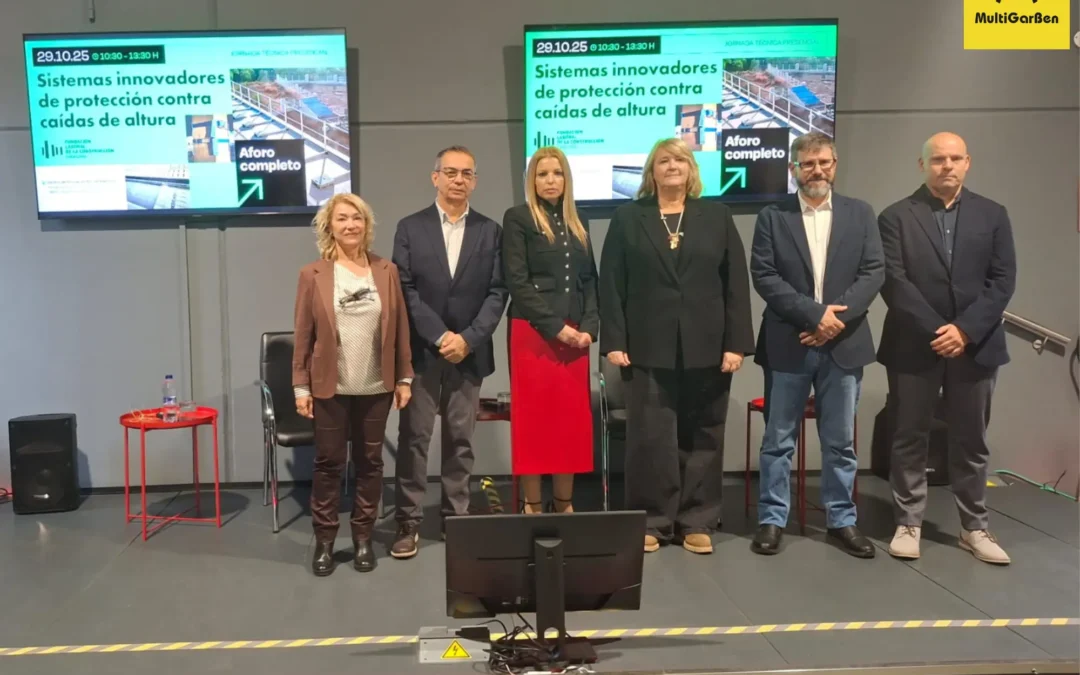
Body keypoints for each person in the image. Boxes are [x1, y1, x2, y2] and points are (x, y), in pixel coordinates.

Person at [599, 137, 755, 554]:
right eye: (664, 160)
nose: (672, 166)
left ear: (691, 170)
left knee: (704, 433)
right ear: (651, 172)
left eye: (680, 160)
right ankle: (652, 520)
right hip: (646, 345)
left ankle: (697, 520)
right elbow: (611, 283)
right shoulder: (629, 218)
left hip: (708, 345)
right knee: (650, 437)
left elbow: (735, 283)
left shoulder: (717, 216)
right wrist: (614, 339)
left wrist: (736, 343)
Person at [878, 132, 1016, 565]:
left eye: (955, 158)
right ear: (923, 165)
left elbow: (1002, 281)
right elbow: (894, 282)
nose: (947, 166)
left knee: (971, 440)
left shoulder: (993, 215)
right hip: (914, 345)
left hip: (976, 347)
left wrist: (966, 331)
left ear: (968, 163)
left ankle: (974, 527)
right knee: (909, 436)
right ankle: (908, 523)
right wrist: (940, 330)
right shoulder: (895, 216)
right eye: (938, 159)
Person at [748, 132, 884, 557]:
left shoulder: (861, 214)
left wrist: (832, 323)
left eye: (823, 162)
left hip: (843, 345)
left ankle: (842, 521)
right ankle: (772, 520)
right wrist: (814, 315)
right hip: (789, 342)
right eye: (807, 164)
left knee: (840, 442)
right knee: (778, 439)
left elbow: (874, 272)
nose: (817, 171)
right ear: (794, 170)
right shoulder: (772, 216)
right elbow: (765, 276)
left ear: (835, 164)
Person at [390, 146, 509, 559]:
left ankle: (456, 517)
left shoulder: (491, 230)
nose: (459, 180)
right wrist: (441, 336)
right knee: (415, 440)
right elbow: (404, 289)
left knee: (461, 440)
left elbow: (498, 291)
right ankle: (408, 522)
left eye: (467, 174)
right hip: (424, 352)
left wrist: (469, 338)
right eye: (451, 172)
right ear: (435, 177)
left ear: (474, 181)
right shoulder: (410, 227)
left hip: (469, 354)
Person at [292, 193, 414, 577]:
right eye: (342, 219)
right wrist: (300, 386)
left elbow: (401, 330)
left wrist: (405, 377)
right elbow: (303, 335)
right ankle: (325, 542)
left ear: (366, 224)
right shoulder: (312, 274)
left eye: (356, 218)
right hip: (331, 386)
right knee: (329, 464)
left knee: (371, 464)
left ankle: (362, 538)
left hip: (376, 386)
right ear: (330, 226)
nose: (350, 225)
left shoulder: (386, 270)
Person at [501, 146, 599, 514]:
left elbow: (589, 279)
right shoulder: (518, 218)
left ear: (566, 178)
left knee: (568, 423)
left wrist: (589, 327)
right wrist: (558, 329)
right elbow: (518, 282)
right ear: (532, 180)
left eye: (557, 173)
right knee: (535, 423)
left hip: (577, 335)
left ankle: (564, 504)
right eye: (542, 174)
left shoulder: (580, 220)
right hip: (533, 334)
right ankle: (532, 505)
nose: (550, 180)